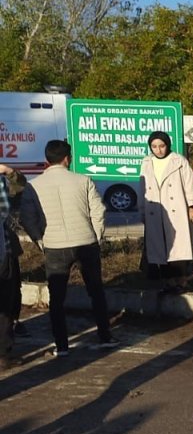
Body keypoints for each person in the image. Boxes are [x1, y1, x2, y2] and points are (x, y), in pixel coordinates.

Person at [21, 140, 118, 356]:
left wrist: (40, 241)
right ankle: (106, 335)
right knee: (96, 291)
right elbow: (98, 211)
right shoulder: (83, 180)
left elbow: (27, 218)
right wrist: (96, 235)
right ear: (67, 158)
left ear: (47, 160)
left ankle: (62, 345)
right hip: (86, 241)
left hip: (54, 245)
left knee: (57, 299)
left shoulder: (33, 186)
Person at [140, 131, 193, 294]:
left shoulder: (179, 161)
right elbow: (142, 187)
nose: (158, 150)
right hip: (155, 210)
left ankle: (181, 281)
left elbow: (189, 183)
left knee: (178, 248)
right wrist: (142, 210)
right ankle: (167, 281)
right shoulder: (146, 162)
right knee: (161, 249)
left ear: (167, 145)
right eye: (154, 146)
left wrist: (192, 204)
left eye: (161, 146)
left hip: (176, 208)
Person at [0, 164, 28, 369]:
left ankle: (3, 351)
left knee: (8, 300)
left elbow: (19, 189)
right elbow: (6, 210)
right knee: (4, 303)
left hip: (6, 249)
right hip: (3, 251)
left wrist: (10, 173)